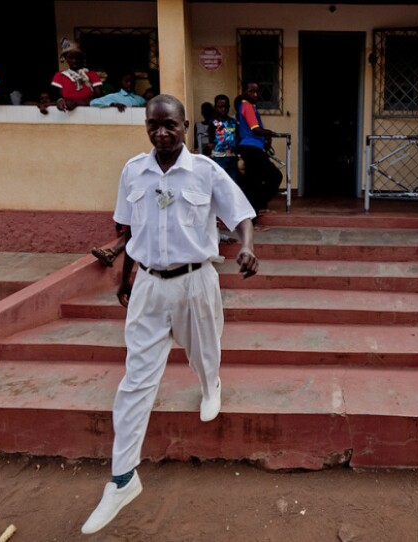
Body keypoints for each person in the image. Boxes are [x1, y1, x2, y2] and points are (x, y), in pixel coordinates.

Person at [80, 94, 258, 535]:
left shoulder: (206, 170)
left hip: (196, 282)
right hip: (148, 286)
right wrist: (125, 279)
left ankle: (209, 383)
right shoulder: (132, 171)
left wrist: (248, 246)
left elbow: (240, 214)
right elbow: (129, 228)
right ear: (146, 126)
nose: (162, 133)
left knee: (203, 352)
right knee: (136, 381)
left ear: (185, 126)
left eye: (170, 126)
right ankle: (122, 480)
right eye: (154, 126)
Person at [236, 81, 283, 228]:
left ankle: (257, 209)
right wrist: (271, 133)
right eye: (252, 92)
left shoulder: (248, 106)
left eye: (257, 92)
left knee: (256, 182)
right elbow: (256, 130)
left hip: (252, 148)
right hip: (251, 149)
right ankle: (252, 218)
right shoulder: (247, 107)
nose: (255, 95)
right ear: (244, 92)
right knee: (273, 176)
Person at [39, 38, 103, 114]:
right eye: (70, 57)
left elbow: (100, 99)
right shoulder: (60, 76)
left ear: (82, 57)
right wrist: (60, 101)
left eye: (77, 57)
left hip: (90, 113)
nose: (74, 61)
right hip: (67, 115)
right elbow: (56, 97)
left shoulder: (92, 74)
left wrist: (77, 103)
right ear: (65, 58)